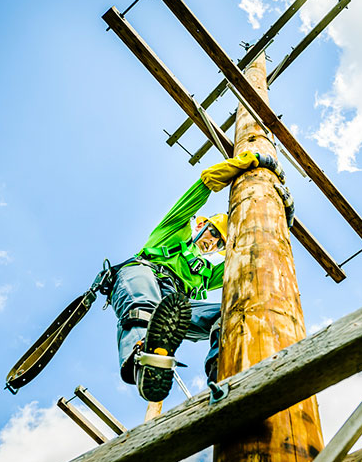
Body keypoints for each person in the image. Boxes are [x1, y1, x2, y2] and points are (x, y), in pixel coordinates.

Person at [108, 150, 288, 401]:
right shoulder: (175, 230)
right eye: (213, 233)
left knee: (230, 312)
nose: (212, 242)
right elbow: (204, 182)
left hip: (176, 304)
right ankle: (144, 360)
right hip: (145, 272)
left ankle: (222, 369)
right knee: (143, 308)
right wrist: (248, 161)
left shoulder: (206, 274)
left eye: (219, 243)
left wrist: (280, 218)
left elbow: (254, 258)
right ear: (203, 225)